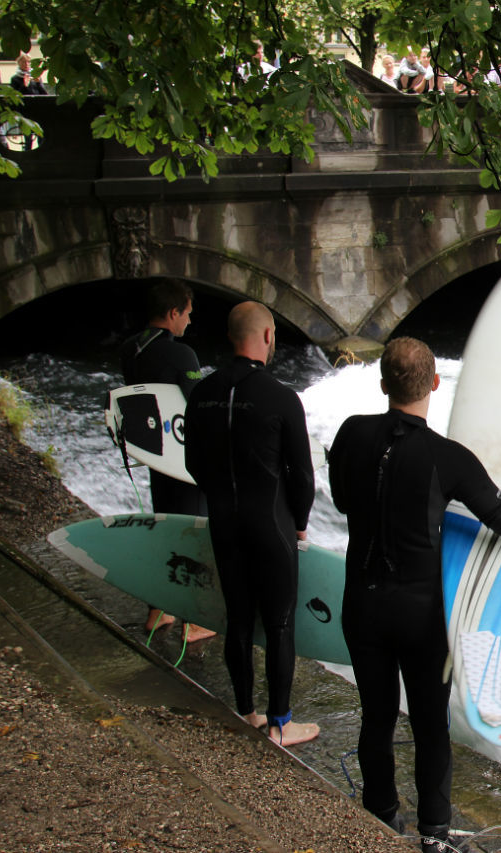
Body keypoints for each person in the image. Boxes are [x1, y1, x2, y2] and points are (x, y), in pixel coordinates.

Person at [329, 337, 501, 852]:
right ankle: (434, 835)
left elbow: (340, 500)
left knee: (376, 715)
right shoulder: (448, 457)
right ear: (434, 384)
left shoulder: (351, 433)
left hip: (361, 600)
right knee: (429, 724)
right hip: (421, 615)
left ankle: (379, 816)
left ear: (382, 384)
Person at [184, 302, 318, 747]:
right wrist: (298, 523)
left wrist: (223, 498)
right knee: (280, 623)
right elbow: (302, 475)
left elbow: (193, 463)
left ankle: (245, 712)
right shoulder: (281, 397)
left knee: (237, 619)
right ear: (266, 337)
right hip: (271, 527)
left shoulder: (200, 394)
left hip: (224, 522)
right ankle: (280, 722)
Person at [120, 280, 215, 644]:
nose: (189, 322)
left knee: (164, 527)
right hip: (185, 459)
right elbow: (197, 403)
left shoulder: (130, 349)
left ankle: (158, 609)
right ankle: (194, 621)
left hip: (154, 454)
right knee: (195, 532)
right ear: (173, 313)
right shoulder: (181, 355)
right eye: (187, 314)